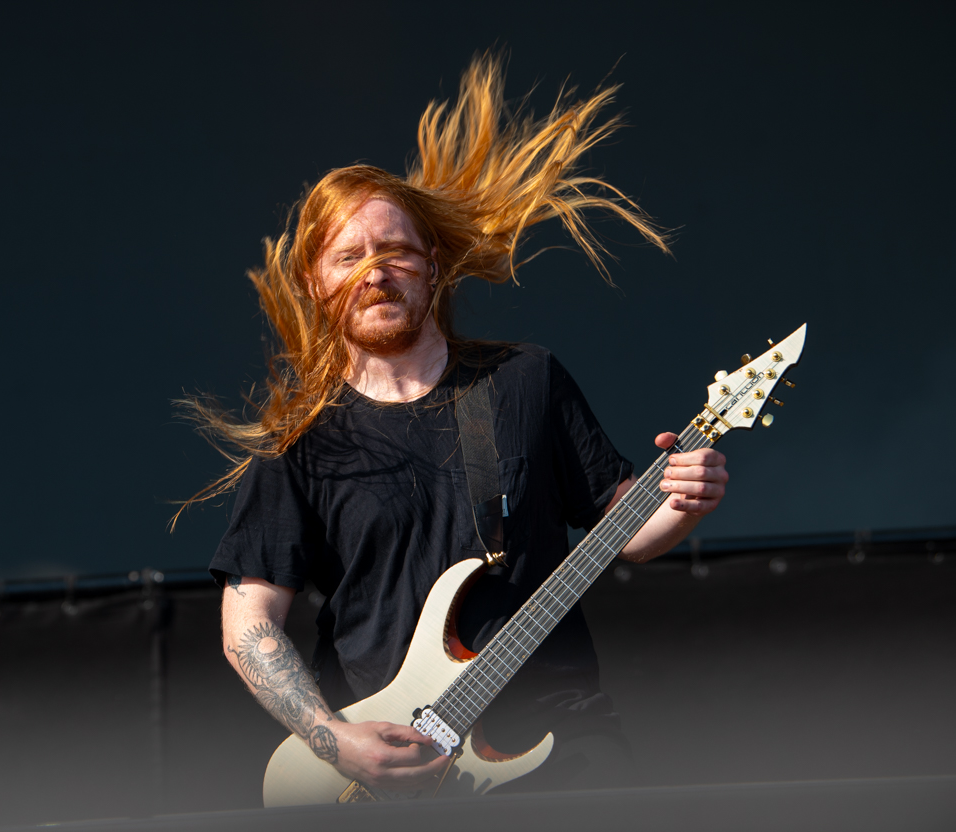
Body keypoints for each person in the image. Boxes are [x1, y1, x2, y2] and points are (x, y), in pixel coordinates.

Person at [186, 56, 729, 794]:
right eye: (349, 257)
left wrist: (686, 499)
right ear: (316, 282)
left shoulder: (525, 380)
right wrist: (334, 740)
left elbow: (627, 532)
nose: (375, 273)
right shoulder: (299, 440)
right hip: (393, 765)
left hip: (561, 737)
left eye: (396, 252)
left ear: (433, 265)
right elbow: (248, 625)